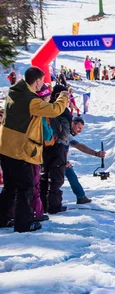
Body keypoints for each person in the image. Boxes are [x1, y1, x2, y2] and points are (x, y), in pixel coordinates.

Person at [0, 67, 69, 232]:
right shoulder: (31, 101)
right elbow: (54, 110)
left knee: (10, 186)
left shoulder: (13, 93)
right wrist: (64, 97)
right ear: (37, 81)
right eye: (42, 81)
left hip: (5, 146)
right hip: (20, 150)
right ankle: (24, 224)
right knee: (26, 187)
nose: (43, 84)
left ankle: (2, 219)